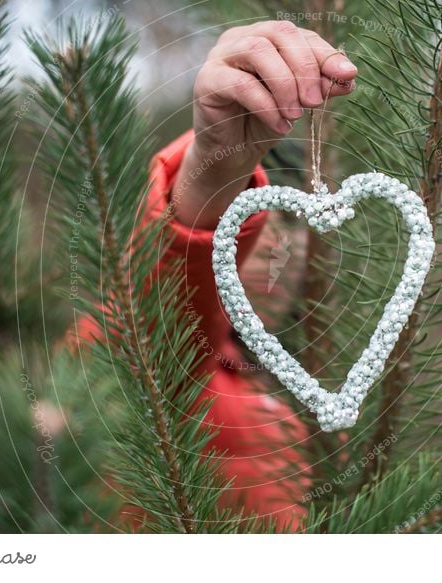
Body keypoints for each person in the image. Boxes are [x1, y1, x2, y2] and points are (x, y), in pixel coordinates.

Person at [74, 20, 358, 531]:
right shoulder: (141, 359)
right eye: (255, 212)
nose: (275, 240)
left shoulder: (308, 391)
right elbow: (163, 318)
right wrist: (215, 168)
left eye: (290, 222)